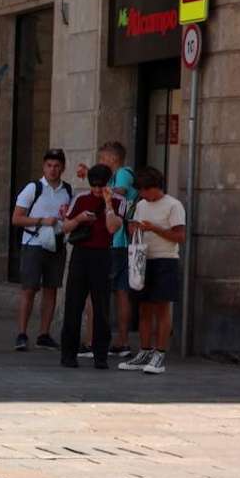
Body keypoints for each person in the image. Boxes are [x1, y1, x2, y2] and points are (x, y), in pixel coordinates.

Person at [119, 167, 185, 375]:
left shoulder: (174, 205)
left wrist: (154, 228)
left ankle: (160, 353)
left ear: (155, 188)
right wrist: (134, 229)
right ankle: (145, 350)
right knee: (144, 308)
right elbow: (134, 227)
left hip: (165, 260)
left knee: (162, 308)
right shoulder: (141, 205)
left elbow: (180, 236)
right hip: (143, 260)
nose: (143, 195)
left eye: (145, 191)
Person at [58, 162, 123, 369]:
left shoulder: (119, 200)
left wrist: (108, 204)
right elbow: (66, 227)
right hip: (81, 254)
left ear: (108, 183)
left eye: (100, 186)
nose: (96, 190)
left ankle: (100, 355)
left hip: (103, 255)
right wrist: (79, 218)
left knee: (101, 305)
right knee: (73, 304)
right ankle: (68, 354)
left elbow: (113, 228)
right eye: (93, 186)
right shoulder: (81, 198)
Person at [12, 148, 73, 352]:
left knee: (51, 289)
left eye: (57, 166)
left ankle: (44, 334)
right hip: (34, 244)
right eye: (49, 165)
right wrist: (41, 221)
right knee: (28, 289)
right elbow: (17, 218)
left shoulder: (68, 190)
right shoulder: (33, 188)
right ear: (43, 167)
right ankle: (22, 333)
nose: (53, 170)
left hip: (56, 244)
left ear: (63, 168)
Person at [78, 142, 136, 355]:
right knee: (121, 293)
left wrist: (93, 178)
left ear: (112, 160)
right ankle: (121, 342)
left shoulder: (122, 174)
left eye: (102, 160)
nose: (100, 164)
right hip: (120, 245)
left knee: (96, 293)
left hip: (113, 244)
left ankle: (92, 341)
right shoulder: (118, 176)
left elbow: (114, 195)